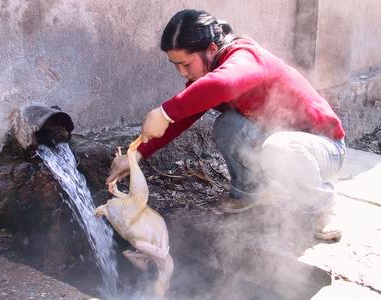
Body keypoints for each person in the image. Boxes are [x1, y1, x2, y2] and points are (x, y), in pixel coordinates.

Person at [106, 9, 346, 241]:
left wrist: (165, 111)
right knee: (229, 126)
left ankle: (321, 206)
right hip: (281, 142)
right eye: (175, 65)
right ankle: (249, 192)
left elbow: (223, 85)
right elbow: (180, 119)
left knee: (279, 147)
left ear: (211, 49)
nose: (181, 73)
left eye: (186, 64)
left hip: (324, 149)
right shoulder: (208, 75)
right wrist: (136, 154)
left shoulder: (245, 56)